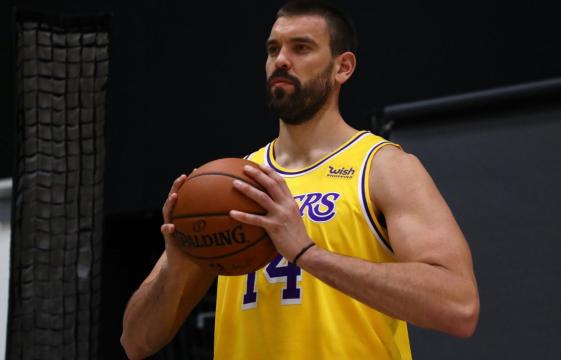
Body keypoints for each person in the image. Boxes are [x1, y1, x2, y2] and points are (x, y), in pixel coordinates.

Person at [121, 1, 480, 359]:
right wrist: (179, 267)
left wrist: (308, 254)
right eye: (273, 49)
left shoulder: (383, 167)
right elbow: (135, 342)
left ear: (343, 67)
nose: (281, 60)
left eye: (301, 48)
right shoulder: (232, 184)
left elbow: (459, 306)